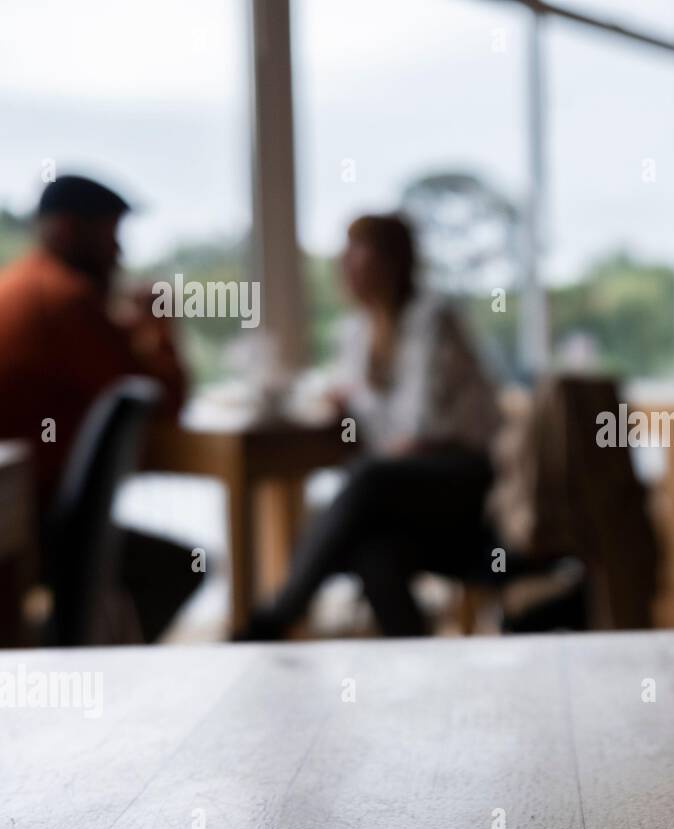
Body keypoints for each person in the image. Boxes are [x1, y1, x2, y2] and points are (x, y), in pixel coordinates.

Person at [236, 214, 503, 638]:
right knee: (373, 549)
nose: (344, 262)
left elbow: (424, 430)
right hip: (400, 486)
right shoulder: (356, 332)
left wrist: (371, 438)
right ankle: (421, 665)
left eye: (358, 249)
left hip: (467, 481)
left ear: (393, 260)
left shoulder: (433, 318)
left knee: (368, 481)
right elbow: (364, 414)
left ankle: (274, 619)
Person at [0, 175, 198, 641]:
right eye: (111, 235)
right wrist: (160, 326)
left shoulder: (20, 287)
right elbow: (166, 401)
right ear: (69, 230)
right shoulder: (68, 300)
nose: (119, 252)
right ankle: (92, 667)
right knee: (178, 568)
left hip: (20, 517)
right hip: (34, 525)